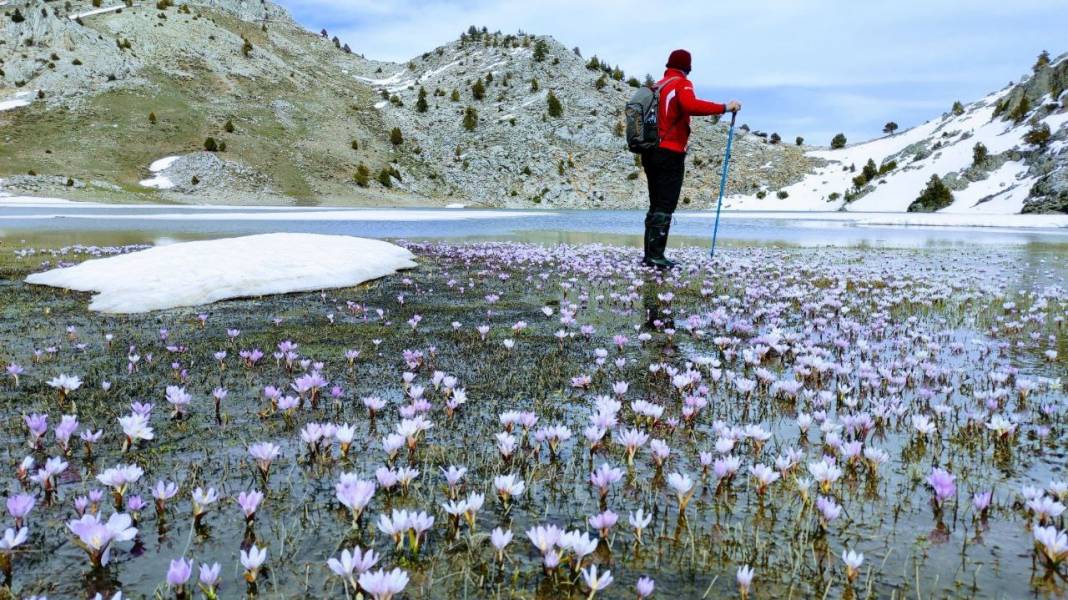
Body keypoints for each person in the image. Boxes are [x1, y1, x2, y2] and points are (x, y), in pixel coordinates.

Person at [641, 49, 741, 268]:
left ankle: (650, 255)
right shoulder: (682, 84)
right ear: (688, 67)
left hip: (649, 151)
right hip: (670, 152)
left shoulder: (657, 86)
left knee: (656, 203)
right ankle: (655, 257)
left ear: (668, 65)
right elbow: (690, 105)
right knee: (665, 205)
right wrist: (724, 107)